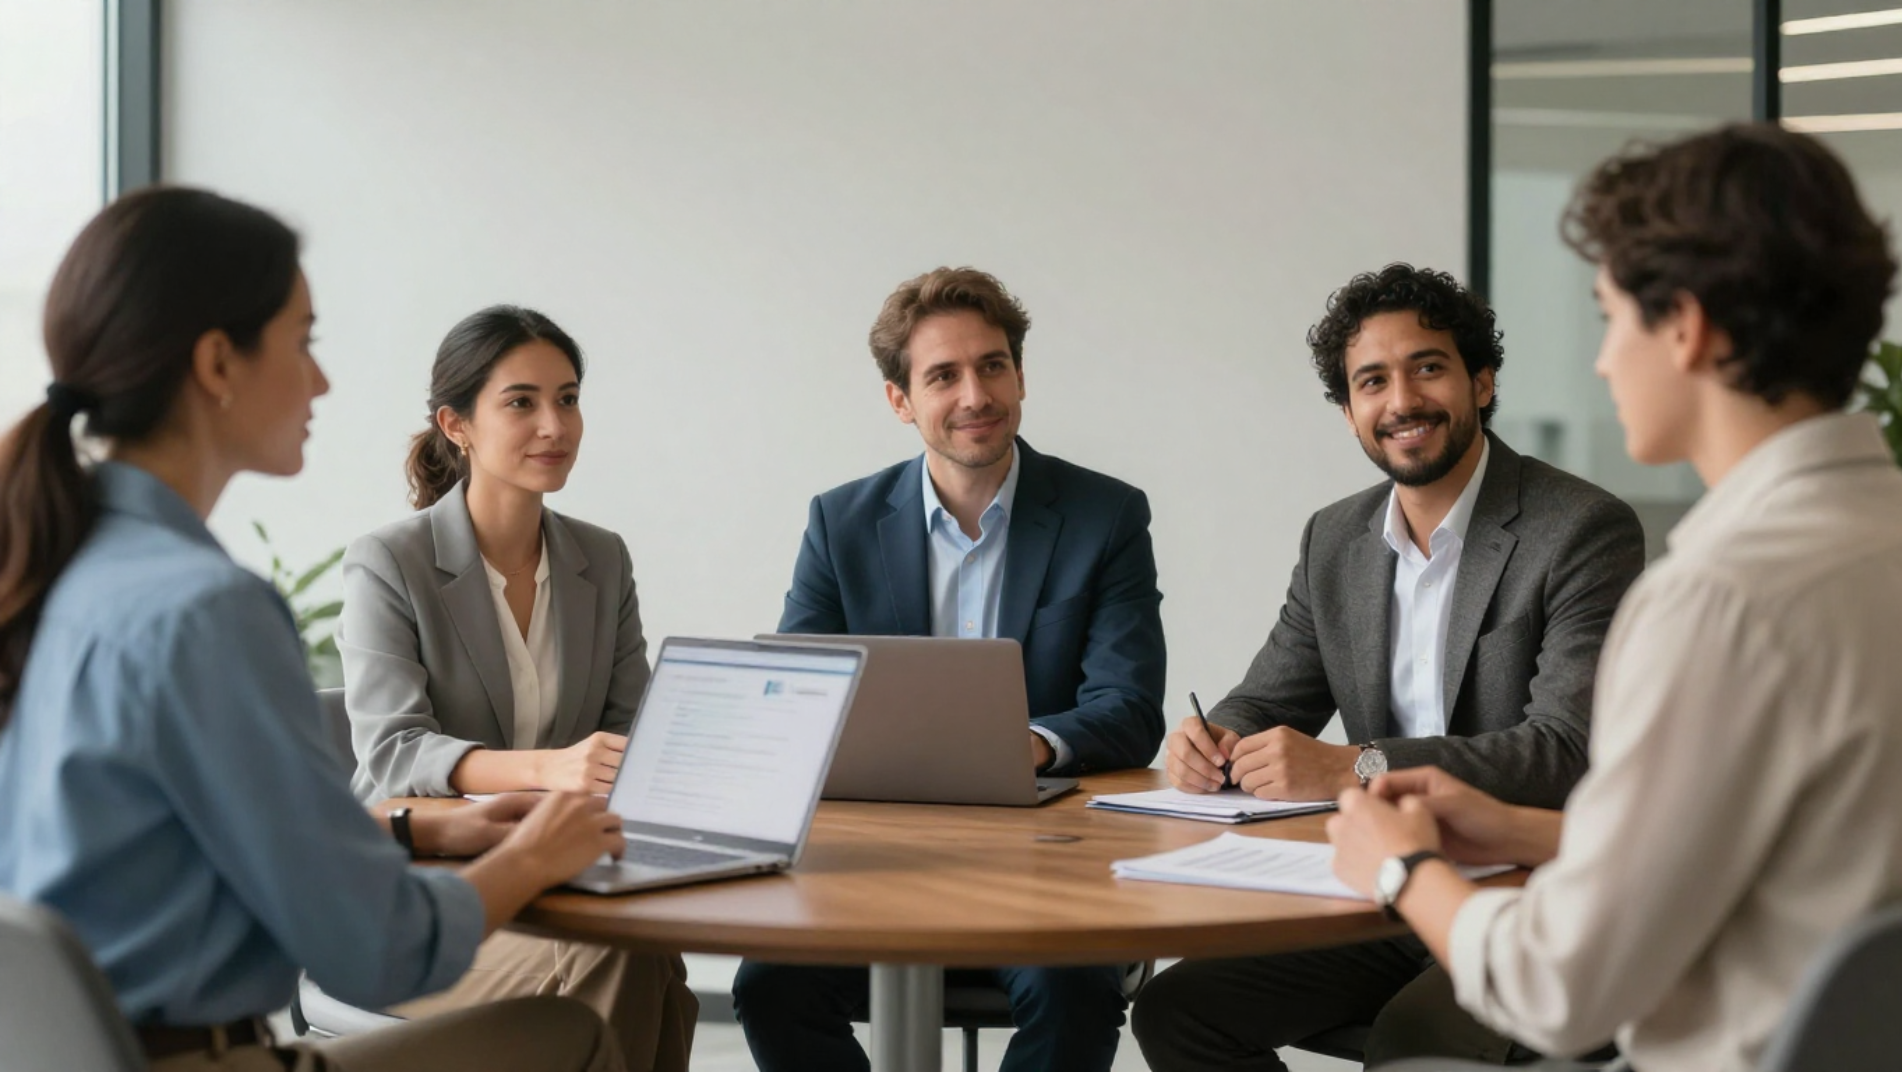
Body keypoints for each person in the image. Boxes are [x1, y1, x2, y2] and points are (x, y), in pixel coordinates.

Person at [1325, 122, 1902, 1071]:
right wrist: (1515, 826)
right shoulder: (1895, 540)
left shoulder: (1719, 603)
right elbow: (1772, 848)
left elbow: (1559, 989)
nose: (1602, 361)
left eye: (1609, 316)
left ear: (1683, 326)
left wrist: (1401, 867)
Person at [0, 186, 626, 1069]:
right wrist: (530, 856)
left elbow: (170, 838)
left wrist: (420, 831)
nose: (322, 379)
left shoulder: (55, 570)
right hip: (209, 1060)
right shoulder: (207, 610)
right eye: (304, 341)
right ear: (218, 364)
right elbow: (377, 949)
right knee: (574, 1032)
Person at [1130, 264, 1645, 1069]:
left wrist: (1356, 768)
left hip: (1528, 895)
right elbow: (1270, 696)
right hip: (1376, 893)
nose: (1401, 400)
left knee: (1414, 1042)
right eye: (1372, 381)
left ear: (1482, 381)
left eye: (1427, 368)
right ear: (1348, 412)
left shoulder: (1581, 530)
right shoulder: (1334, 539)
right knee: (1176, 1011)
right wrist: (1214, 738)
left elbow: (1565, 751)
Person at [731, 266, 1167, 1071]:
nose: (976, 394)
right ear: (901, 400)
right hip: (878, 862)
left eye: (993, 365)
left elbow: (1131, 708)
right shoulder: (842, 522)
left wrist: (1023, 746)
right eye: (944, 375)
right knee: (769, 986)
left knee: (1071, 994)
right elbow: (795, 698)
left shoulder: (1106, 515)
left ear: (1021, 375)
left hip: (1047, 864)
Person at [336, 305, 697, 1069]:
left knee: (651, 956)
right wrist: (548, 769)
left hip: (568, 878)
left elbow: (637, 731)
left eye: (567, 398)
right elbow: (394, 752)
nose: (554, 425)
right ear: (456, 424)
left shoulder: (602, 559)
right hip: (426, 899)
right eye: (521, 402)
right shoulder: (388, 561)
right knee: (634, 961)